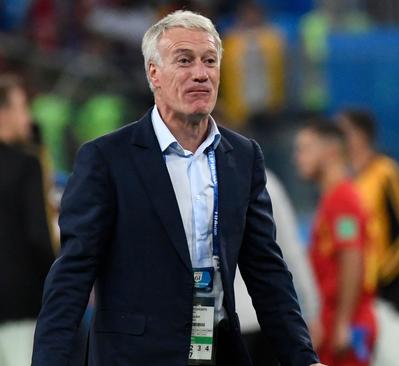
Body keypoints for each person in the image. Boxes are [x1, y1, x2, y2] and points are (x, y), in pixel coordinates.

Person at [32, 11, 323, 366]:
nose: (200, 73)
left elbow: (267, 272)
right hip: (134, 357)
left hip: (219, 352)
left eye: (210, 61)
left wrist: (303, 358)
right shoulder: (106, 158)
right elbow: (72, 275)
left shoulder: (243, 157)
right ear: (154, 73)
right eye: (184, 60)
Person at [336, 109, 399, 366]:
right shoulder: (344, 180)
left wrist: (383, 275)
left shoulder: (388, 173)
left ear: (360, 136)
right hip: (356, 297)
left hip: (388, 297)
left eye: (343, 132)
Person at [294, 121, 376, 366]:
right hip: (333, 320)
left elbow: (352, 257)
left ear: (329, 152)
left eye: (305, 149)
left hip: (345, 324)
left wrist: (343, 324)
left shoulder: (342, 199)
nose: (297, 157)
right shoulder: (333, 198)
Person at [234, 169, 321, 366]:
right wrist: (312, 310)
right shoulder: (263, 179)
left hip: (224, 321)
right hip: (266, 319)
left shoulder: (192, 178)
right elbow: (290, 252)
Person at [0, 74, 55, 366]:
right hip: (21, 306)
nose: (27, 118)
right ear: (4, 112)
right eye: (22, 107)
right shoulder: (26, 166)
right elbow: (40, 235)